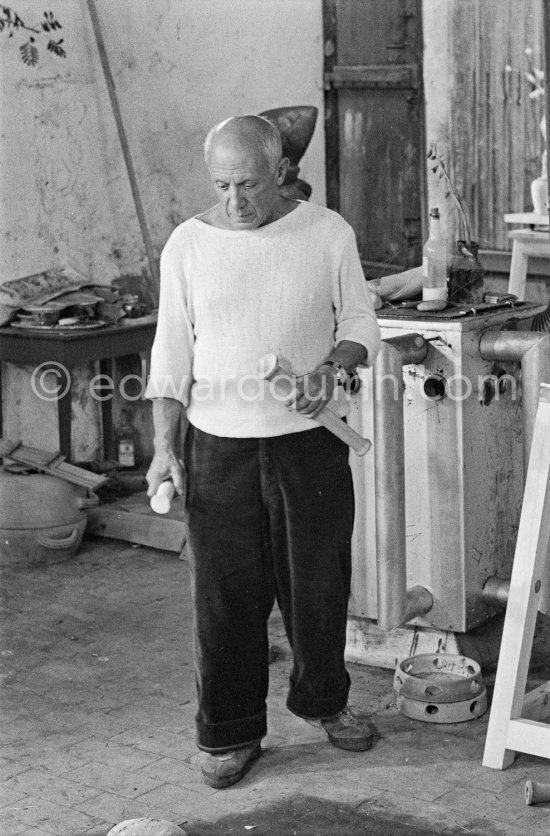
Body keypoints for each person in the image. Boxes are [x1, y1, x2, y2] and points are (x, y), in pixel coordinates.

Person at [145, 114, 381, 789]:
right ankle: (230, 731)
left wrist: (330, 371)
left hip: (310, 445)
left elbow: (360, 320)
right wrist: (166, 447)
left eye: (247, 184)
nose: (235, 201)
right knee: (224, 598)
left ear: (280, 171)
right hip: (218, 446)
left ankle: (324, 702)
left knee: (318, 586)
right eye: (221, 184)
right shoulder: (188, 244)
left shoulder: (326, 233)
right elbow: (171, 355)